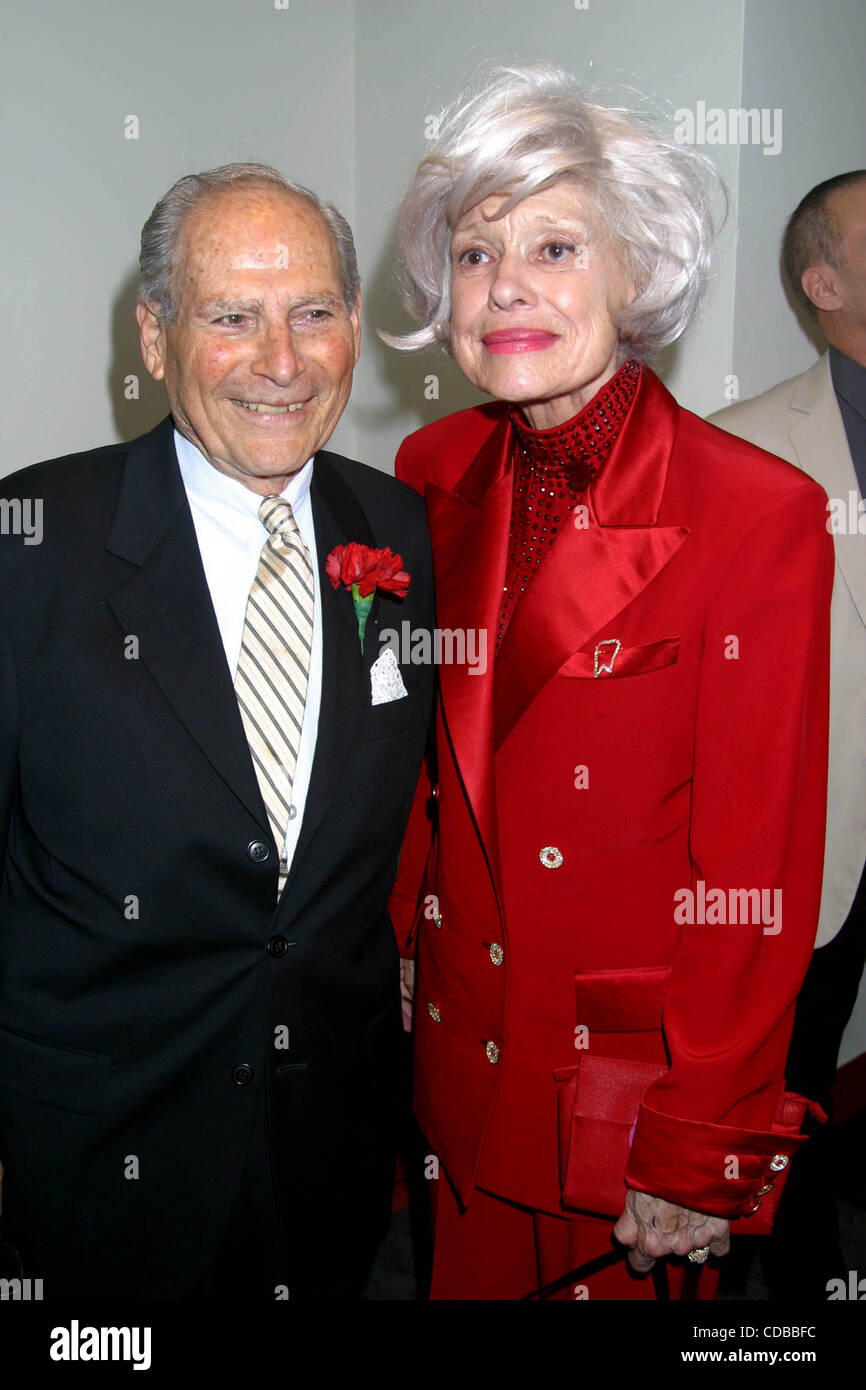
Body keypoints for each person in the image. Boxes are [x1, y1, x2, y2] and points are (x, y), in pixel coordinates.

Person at [384, 64, 833, 1301]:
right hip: (461, 1053)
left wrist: (701, 1152)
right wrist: (404, 936)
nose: (505, 285)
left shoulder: (757, 514)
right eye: (475, 254)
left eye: (555, 245)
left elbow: (756, 870)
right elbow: (430, 754)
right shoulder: (431, 466)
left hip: (625, 1105)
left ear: (636, 273)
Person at [0, 163, 434, 1300]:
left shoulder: (396, 529)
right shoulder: (29, 543)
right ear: (154, 336)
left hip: (331, 1131)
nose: (280, 361)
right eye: (230, 317)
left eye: (314, 313)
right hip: (107, 1139)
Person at [709, 170, 866, 1300]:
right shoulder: (743, 452)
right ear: (823, 283)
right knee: (789, 1086)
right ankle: (797, 1287)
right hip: (827, 844)